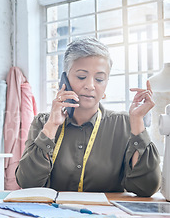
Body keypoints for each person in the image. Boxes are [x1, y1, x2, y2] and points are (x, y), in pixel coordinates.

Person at [15, 37, 161, 197]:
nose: (90, 85)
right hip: (51, 217)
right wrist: (51, 126)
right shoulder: (43, 122)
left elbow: (147, 188)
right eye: (81, 77)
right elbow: (27, 183)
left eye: (99, 79)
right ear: (64, 80)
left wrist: (138, 121)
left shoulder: (125, 123)